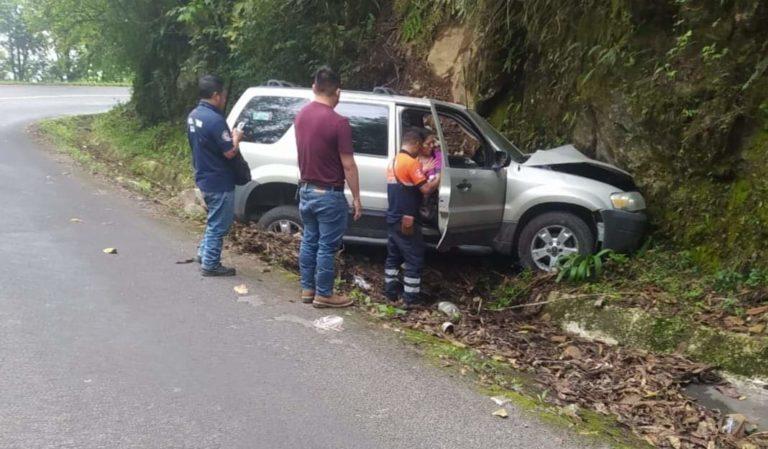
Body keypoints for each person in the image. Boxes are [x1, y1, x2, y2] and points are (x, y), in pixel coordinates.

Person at [294, 66, 362, 308]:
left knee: (309, 240)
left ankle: (307, 289)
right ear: (338, 91)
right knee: (326, 246)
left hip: (306, 191)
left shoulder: (301, 115)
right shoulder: (338, 122)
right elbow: (349, 165)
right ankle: (324, 293)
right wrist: (356, 198)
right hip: (328, 194)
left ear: (314, 87)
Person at [187, 74, 244, 277]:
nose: (223, 98)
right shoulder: (215, 120)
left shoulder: (194, 115)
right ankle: (210, 264)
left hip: (204, 176)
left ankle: (204, 253)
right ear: (215, 95)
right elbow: (229, 152)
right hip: (219, 180)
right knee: (220, 225)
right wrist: (237, 137)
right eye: (222, 95)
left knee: (214, 219)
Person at [384, 128, 440, 307]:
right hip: (407, 220)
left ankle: (390, 292)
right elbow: (426, 189)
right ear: (415, 144)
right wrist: (439, 176)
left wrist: (421, 170)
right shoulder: (411, 162)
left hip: (393, 217)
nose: (422, 149)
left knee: (393, 255)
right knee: (414, 257)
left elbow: (406, 181)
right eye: (421, 145)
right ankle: (410, 299)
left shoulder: (395, 161)